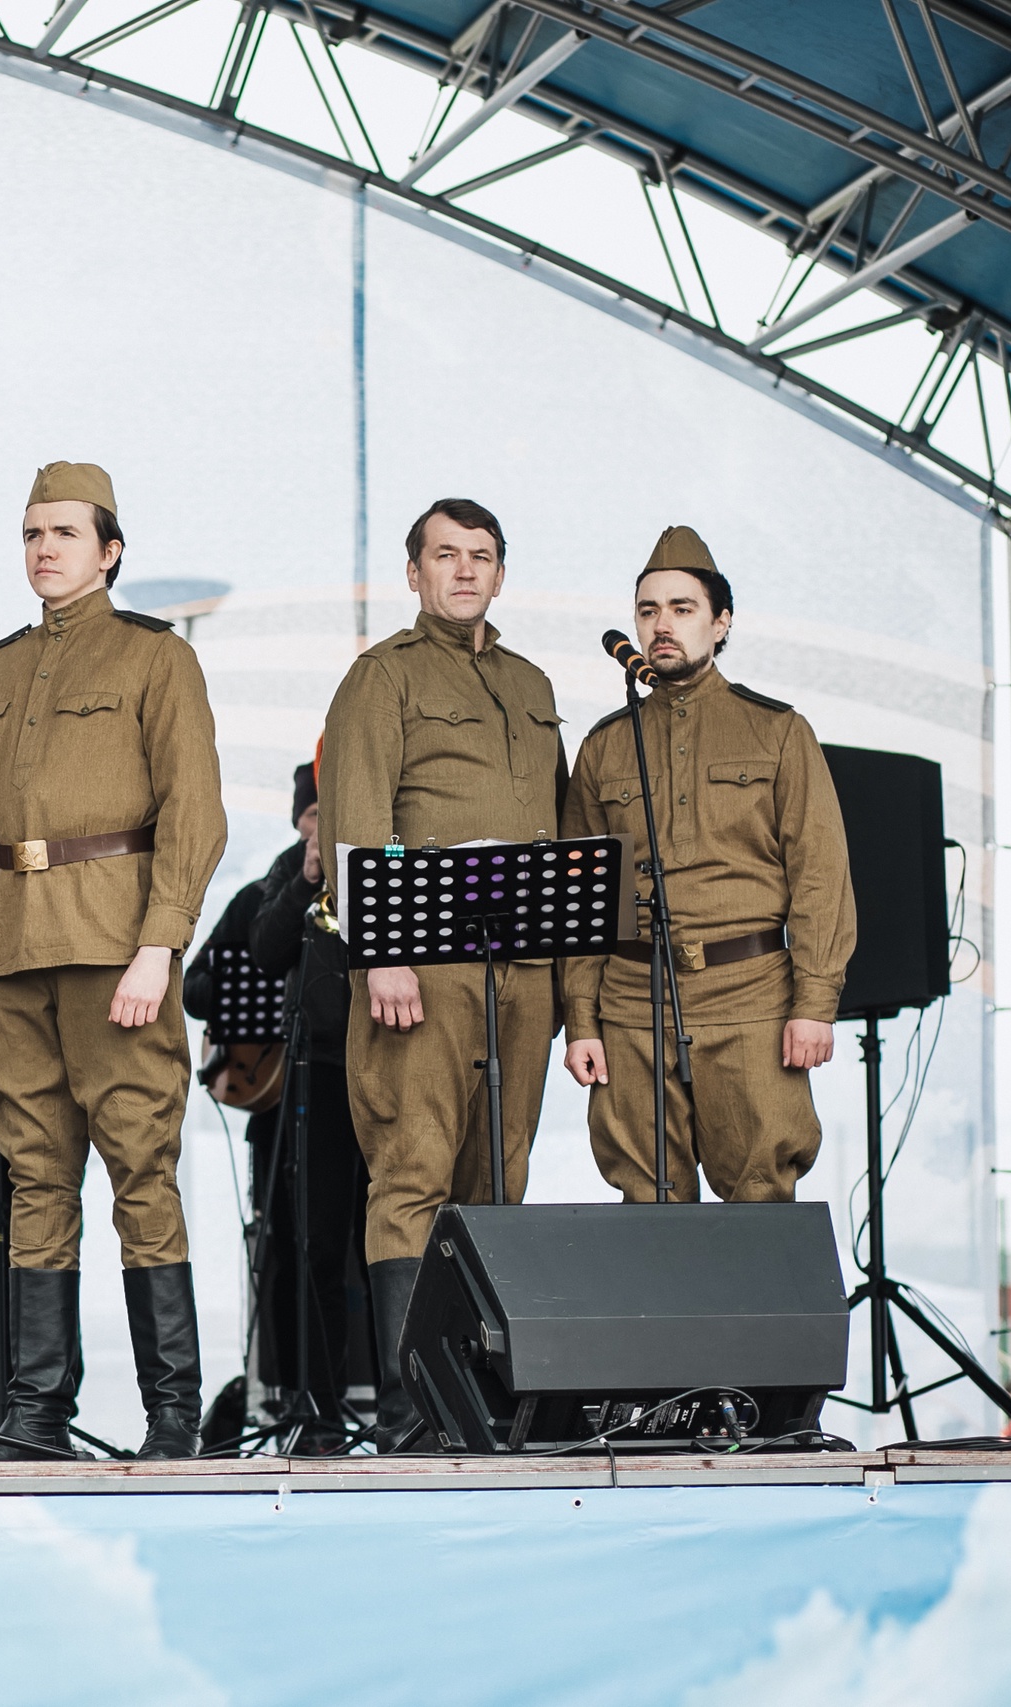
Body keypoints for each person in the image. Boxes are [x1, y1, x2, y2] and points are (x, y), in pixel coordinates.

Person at [0, 461, 227, 1460]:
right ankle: (36, 1411)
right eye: (29, 533)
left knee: (141, 1177)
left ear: (108, 551)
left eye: (62, 532)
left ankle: (173, 1416)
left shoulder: (155, 660)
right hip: (11, 954)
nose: (43, 549)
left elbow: (195, 815)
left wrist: (159, 946)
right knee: (33, 1182)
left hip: (115, 953)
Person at [318, 497, 567, 1450]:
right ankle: (412, 1413)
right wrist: (383, 952)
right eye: (446, 556)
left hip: (521, 969)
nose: (465, 571)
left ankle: (489, 1406)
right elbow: (355, 814)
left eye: (483, 556)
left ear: (501, 574)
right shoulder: (382, 677)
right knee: (413, 1173)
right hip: (420, 969)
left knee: (499, 1180)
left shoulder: (533, 683)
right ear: (414, 573)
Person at [560, 526, 856, 1201]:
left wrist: (815, 1003)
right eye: (647, 610)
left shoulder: (778, 730)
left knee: (759, 1197)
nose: (661, 625)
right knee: (647, 1202)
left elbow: (821, 873)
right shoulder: (604, 746)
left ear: (720, 623)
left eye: (682, 608)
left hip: (751, 994)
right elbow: (581, 898)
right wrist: (582, 1018)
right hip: (632, 1002)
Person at [240, 759, 367, 1452]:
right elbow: (261, 947)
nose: (323, 823)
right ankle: (317, 1405)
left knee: (383, 1239)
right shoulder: (291, 867)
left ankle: (408, 1402)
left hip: (384, 1067)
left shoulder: (384, 854)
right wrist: (309, 875)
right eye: (315, 813)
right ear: (300, 819)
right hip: (315, 1071)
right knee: (315, 1242)